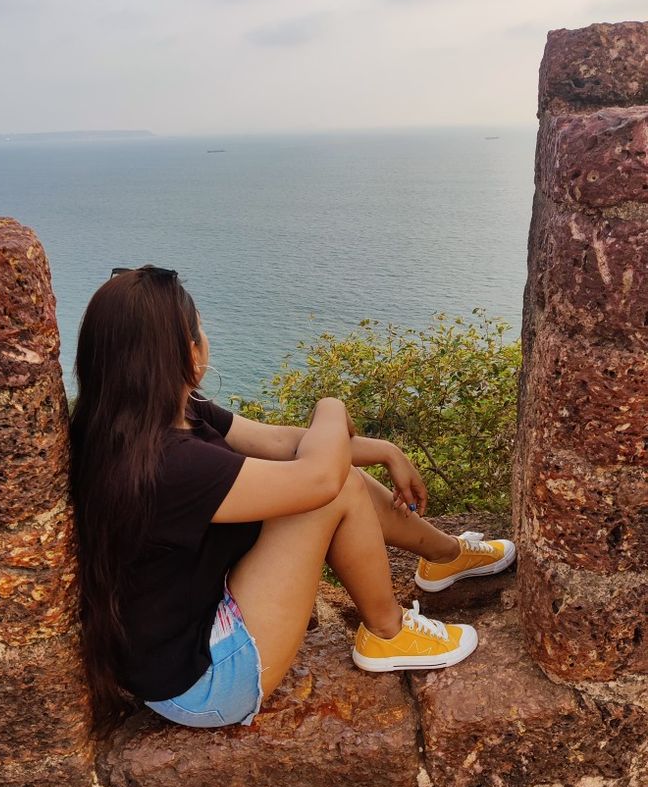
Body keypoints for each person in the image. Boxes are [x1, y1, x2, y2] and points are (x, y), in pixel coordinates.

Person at [70, 265, 516, 736]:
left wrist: (387, 450)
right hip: (203, 683)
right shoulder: (171, 463)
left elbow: (284, 443)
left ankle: (445, 556)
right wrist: (331, 405)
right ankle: (389, 633)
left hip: (178, 641)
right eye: (199, 326)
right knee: (333, 487)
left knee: (335, 474)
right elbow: (320, 477)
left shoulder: (149, 421)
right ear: (186, 350)